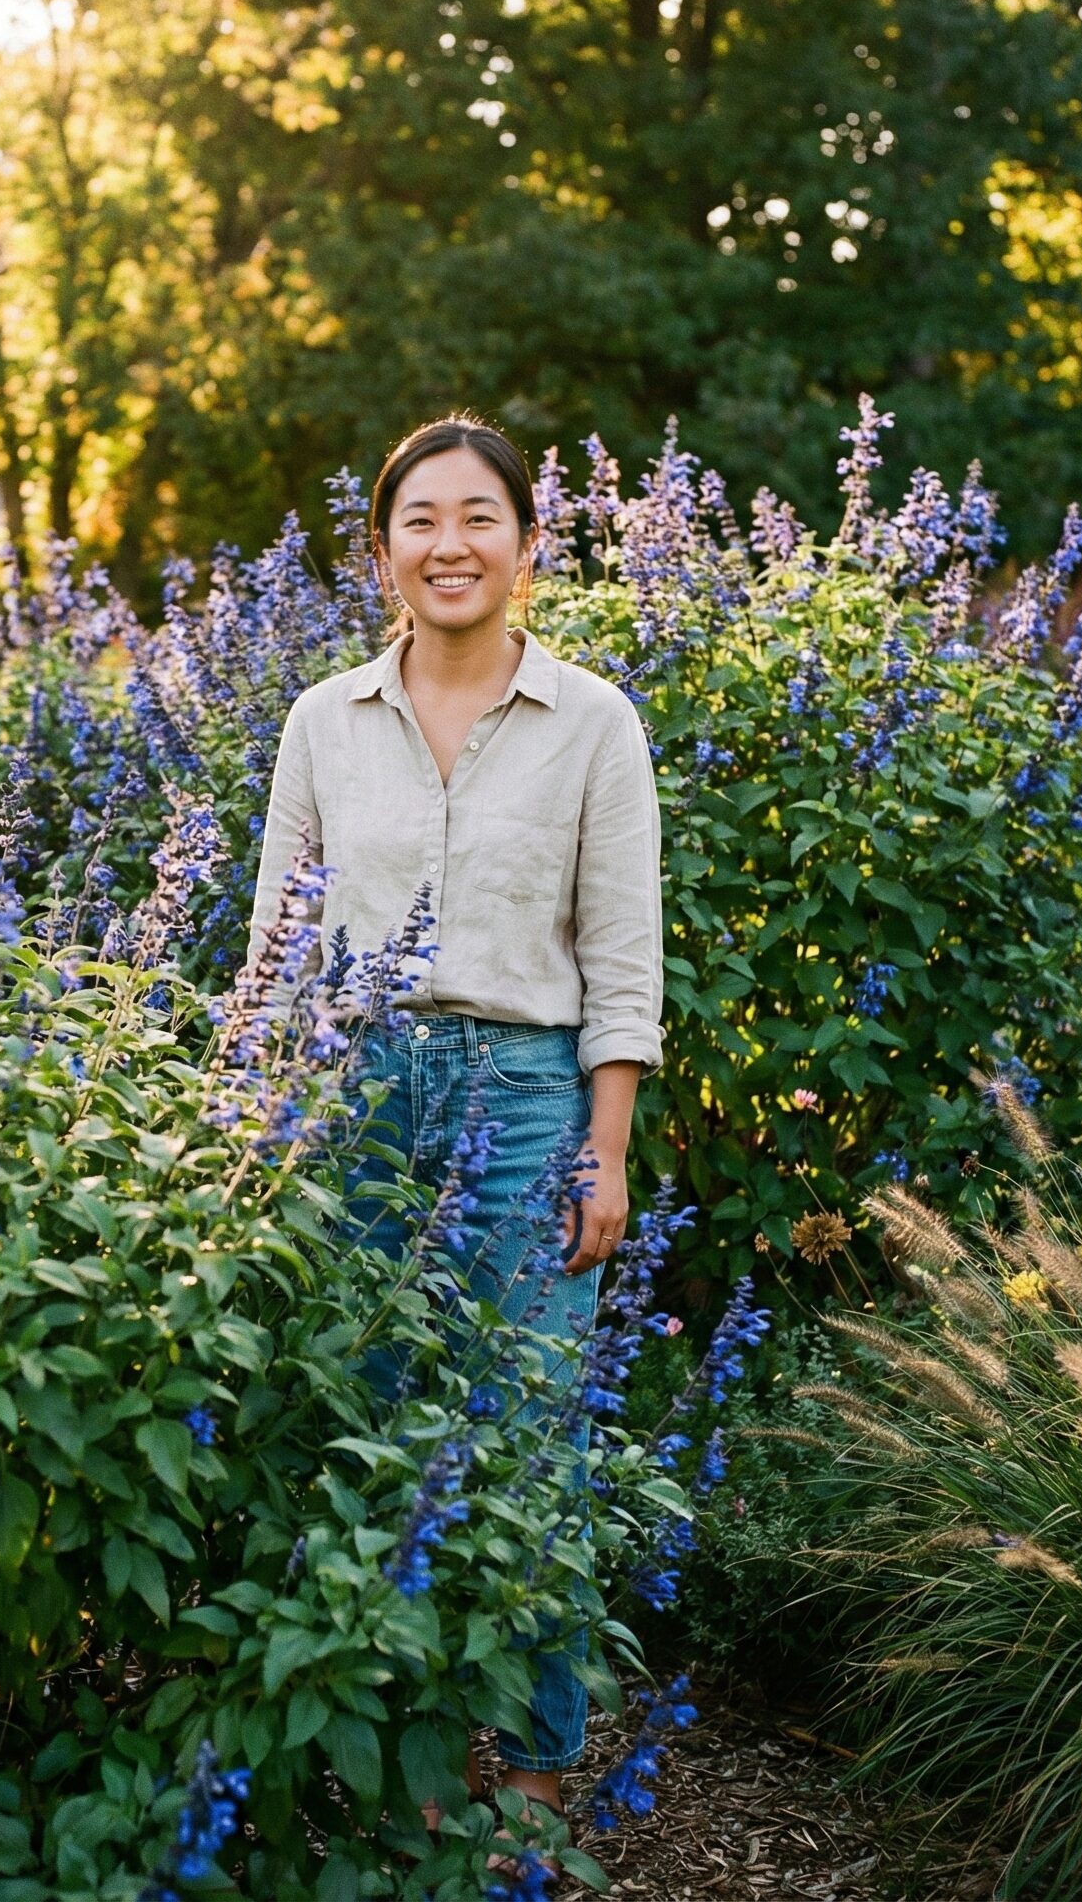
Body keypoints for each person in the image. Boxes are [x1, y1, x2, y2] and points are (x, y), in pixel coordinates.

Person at [242, 412, 666, 1856]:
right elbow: (276, 949)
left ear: (528, 545)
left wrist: (607, 1145)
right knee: (367, 1439)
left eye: (480, 517)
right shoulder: (322, 723)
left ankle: (533, 1785)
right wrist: (261, 1127)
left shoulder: (595, 724)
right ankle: (408, 1780)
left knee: (529, 1441)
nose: (450, 544)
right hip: (357, 1103)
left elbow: (622, 959)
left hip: (529, 1101)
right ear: (381, 554)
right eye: (420, 520)